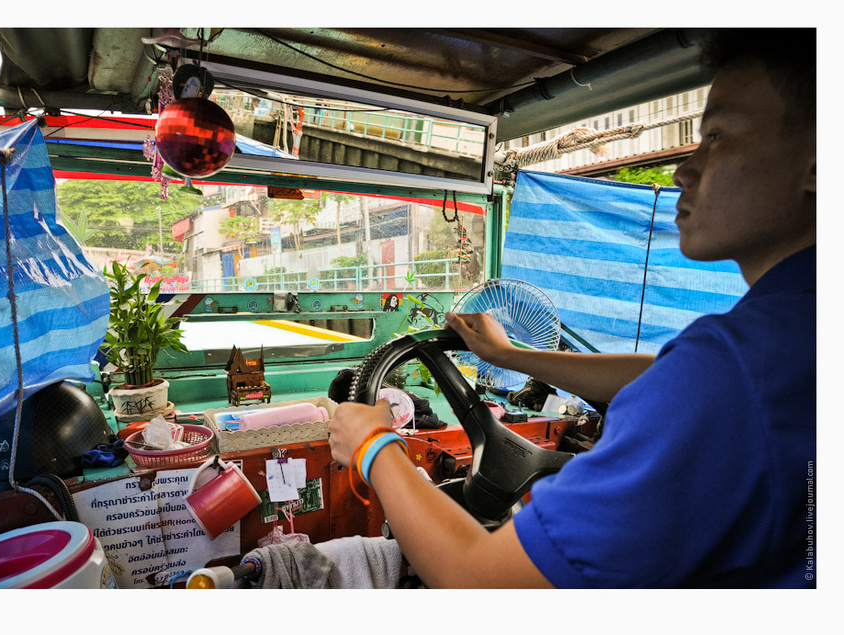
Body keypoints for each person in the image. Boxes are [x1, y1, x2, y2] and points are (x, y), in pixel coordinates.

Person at [328, 28, 816, 588]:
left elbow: (481, 584)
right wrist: (511, 355)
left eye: (718, 136)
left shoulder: (731, 368)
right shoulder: (788, 341)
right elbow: (660, 374)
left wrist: (374, 447)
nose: (685, 169)